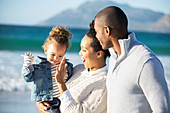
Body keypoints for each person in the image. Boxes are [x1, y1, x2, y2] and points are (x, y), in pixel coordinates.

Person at [94, 6, 170, 113]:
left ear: (107, 31)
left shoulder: (146, 61)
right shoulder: (113, 58)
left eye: (97, 31)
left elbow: (163, 109)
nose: (96, 36)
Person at [36, 24, 110, 113]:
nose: (80, 53)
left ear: (99, 54)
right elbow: (57, 97)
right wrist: (41, 103)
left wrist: (61, 84)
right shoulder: (78, 69)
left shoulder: (104, 84)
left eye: (84, 50)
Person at [21, 26, 73, 113]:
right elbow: (27, 78)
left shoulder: (67, 67)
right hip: (49, 101)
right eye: (53, 54)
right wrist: (27, 63)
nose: (56, 58)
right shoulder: (40, 67)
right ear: (46, 51)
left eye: (60, 55)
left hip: (64, 98)